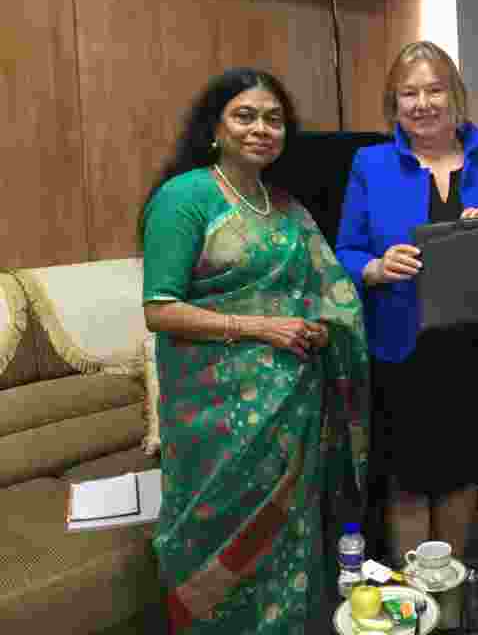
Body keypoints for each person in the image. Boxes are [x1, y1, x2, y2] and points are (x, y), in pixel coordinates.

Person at [140, 68, 369, 633]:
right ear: (214, 127)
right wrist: (264, 328)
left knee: (289, 544)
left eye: (273, 118)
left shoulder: (287, 208)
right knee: (217, 538)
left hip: (290, 413)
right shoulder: (186, 196)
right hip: (215, 423)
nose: (261, 129)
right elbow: (160, 310)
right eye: (245, 116)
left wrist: (317, 327)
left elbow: (329, 293)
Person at [336, 41, 478, 565]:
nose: (422, 103)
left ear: (455, 96)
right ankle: (416, 604)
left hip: (474, 348)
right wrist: (375, 268)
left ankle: (449, 599)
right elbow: (347, 252)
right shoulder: (370, 164)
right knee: (406, 483)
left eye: (434, 89)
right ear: (394, 103)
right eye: (409, 93)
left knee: (462, 478)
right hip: (403, 349)